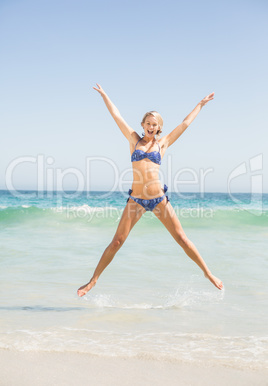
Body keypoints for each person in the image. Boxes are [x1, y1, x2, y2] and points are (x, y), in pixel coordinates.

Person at [77, 84, 223, 297]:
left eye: (155, 124)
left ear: (159, 127)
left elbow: (185, 123)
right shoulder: (133, 140)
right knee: (117, 241)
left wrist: (200, 104)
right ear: (143, 124)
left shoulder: (163, 144)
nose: (151, 127)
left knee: (181, 238)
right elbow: (117, 116)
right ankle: (92, 281)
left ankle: (208, 273)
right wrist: (105, 96)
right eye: (148, 123)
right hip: (136, 200)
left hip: (158, 199)